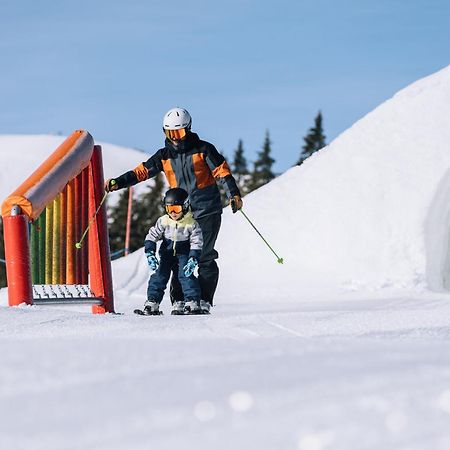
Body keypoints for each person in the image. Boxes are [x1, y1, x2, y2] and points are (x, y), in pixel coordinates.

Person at [105, 107, 243, 314]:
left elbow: (221, 171)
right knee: (179, 255)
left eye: (179, 133)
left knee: (204, 255)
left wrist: (233, 193)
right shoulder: (164, 156)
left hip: (207, 210)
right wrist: (119, 182)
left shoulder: (203, 149)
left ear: (188, 129)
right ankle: (179, 300)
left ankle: (203, 300)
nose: (175, 139)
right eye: (171, 134)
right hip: (181, 214)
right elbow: (141, 172)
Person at [138, 187, 204, 316]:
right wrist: (150, 252)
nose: (173, 213)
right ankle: (152, 302)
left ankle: (192, 302)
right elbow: (152, 236)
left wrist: (193, 258)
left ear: (185, 206)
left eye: (176, 209)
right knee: (159, 276)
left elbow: (197, 242)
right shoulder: (163, 221)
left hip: (184, 254)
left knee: (185, 276)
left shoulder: (192, 224)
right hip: (167, 253)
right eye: (169, 209)